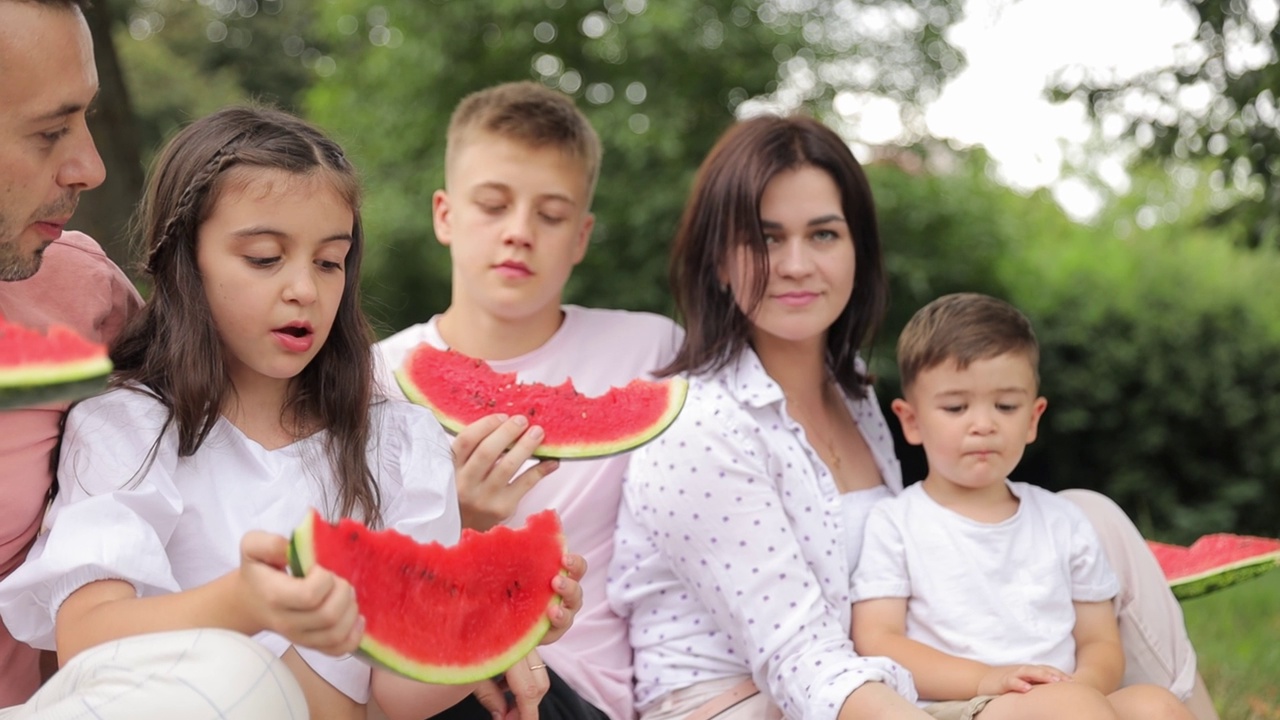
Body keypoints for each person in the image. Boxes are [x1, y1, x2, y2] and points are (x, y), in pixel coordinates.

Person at [606, 114, 1216, 720]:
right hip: (753, 703)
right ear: (717, 259)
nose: (796, 264)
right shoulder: (696, 426)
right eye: (766, 238)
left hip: (878, 686)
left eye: (823, 235)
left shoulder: (855, 395)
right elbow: (797, 657)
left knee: (1120, 604)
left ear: (856, 251)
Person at [0, 105, 580, 720]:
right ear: (183, 261)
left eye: (329, 262)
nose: (304, 287)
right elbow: (89, 639)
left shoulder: (401, 440)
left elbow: (393, 695)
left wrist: (503, 627)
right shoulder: (129, 426)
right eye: (264, 258)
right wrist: (243, 605)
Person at [374, 80, 683, 720]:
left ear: (581, 236)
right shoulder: (375, 377)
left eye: (550, 215)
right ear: (445, 215)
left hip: (581, 692)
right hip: (431, 680)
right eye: (493, 205)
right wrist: (456, 521)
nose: (519, 232)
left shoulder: (654, 353)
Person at [849, 293, 1194, 720]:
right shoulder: (896, 522)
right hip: (962, 704)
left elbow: (1100, 642)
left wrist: (1081, 689)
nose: (983, 423)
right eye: (956, 407)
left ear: (1033, 417)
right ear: (912, 421)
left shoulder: (1063, 521)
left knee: (1157, 705)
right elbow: (877, 639)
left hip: (1069, 700)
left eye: (1006, 406)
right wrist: (984, 678)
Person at [0, 0, 142, 706]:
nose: (89, 167)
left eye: (84, 118)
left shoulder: (84, 295)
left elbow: (258, 427)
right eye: (51, 131)